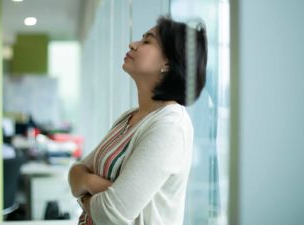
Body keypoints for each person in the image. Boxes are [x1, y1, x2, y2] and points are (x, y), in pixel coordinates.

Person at [68, 16, 207, 225]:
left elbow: (111, 214)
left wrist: (86, 189)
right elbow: (76, 172)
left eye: (147, 41)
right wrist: (92, 183)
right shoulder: (130, 117)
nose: (133, 44)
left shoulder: (170, 126)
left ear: (168, 62)